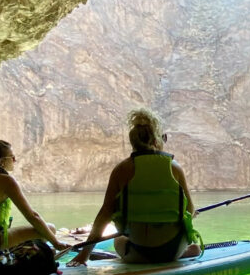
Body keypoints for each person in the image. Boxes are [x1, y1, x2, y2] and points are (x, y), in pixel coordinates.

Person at [67, 108, 202, 266]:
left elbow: (105, 214)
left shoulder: (121, 170)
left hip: (139, 254)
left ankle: (125, 256)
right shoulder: (175, 168)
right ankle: (186, 251)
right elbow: (190, 211)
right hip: (171, 251)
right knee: (194, 247)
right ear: (156, 140)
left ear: (133, 142)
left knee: (118, 238)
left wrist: (84, 255)